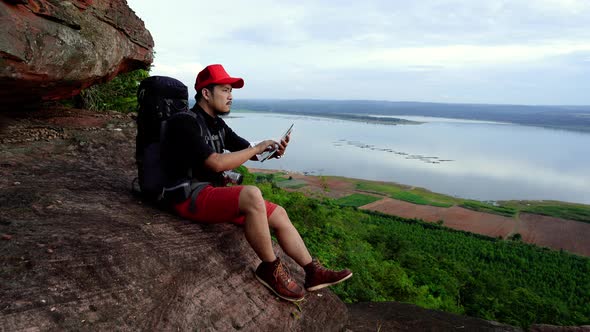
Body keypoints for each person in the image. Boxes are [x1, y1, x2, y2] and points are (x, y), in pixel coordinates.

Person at [160, 64, 352, 302]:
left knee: (279, 213)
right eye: (225, 90)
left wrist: (272, 151)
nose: (230, 96)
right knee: (252, 194)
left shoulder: (217, 124)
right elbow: (216, 164)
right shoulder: (185, 122)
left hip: (211, 194)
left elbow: (248, 152)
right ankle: (270, 268)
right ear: (206, 93)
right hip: (187, 196)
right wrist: (257, 147)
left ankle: (312, 272)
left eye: (231, 90)